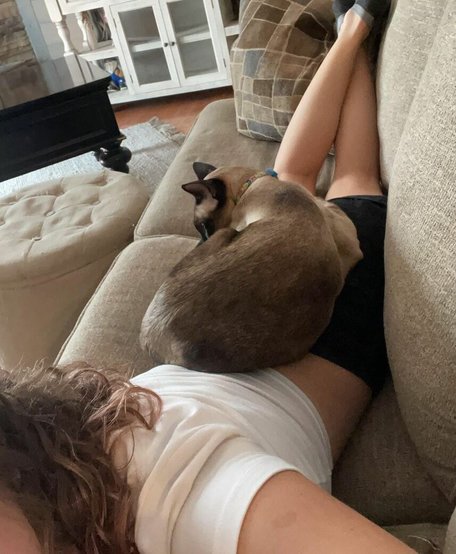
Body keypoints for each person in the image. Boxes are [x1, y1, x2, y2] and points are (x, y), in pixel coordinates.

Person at [0, 2, 416, 553]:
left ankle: (353, 32)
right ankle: (353, 27)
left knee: (352, 180)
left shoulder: (180, 492)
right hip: (226, 324)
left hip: (310, 326)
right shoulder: (67, 454)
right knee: (291, 176)